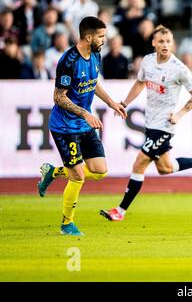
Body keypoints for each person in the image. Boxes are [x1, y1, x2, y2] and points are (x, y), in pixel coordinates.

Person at [100, 25, 192, 222]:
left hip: (165, 126)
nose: (165, 45)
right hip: (150, 123)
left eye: (168, 41)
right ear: (154, 43)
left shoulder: (179, 69)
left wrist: (179, 114)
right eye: (161, 41)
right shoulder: (148, 61)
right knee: (165, 168)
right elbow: (140, 83)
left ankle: (120, 211)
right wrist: (124, 103)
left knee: (139, 163)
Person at [36, 16, 127, 236]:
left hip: (83, 124)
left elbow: (93, 83)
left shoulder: (95, 54)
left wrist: (112, 103)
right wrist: (85, 113)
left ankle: (53, 172)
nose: (104, 40)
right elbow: (59, 97)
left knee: (100, 171)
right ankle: (67, 223)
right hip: (65, 127)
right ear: (88, 37)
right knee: (78, 176)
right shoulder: (68, 61)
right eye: (101, 36)